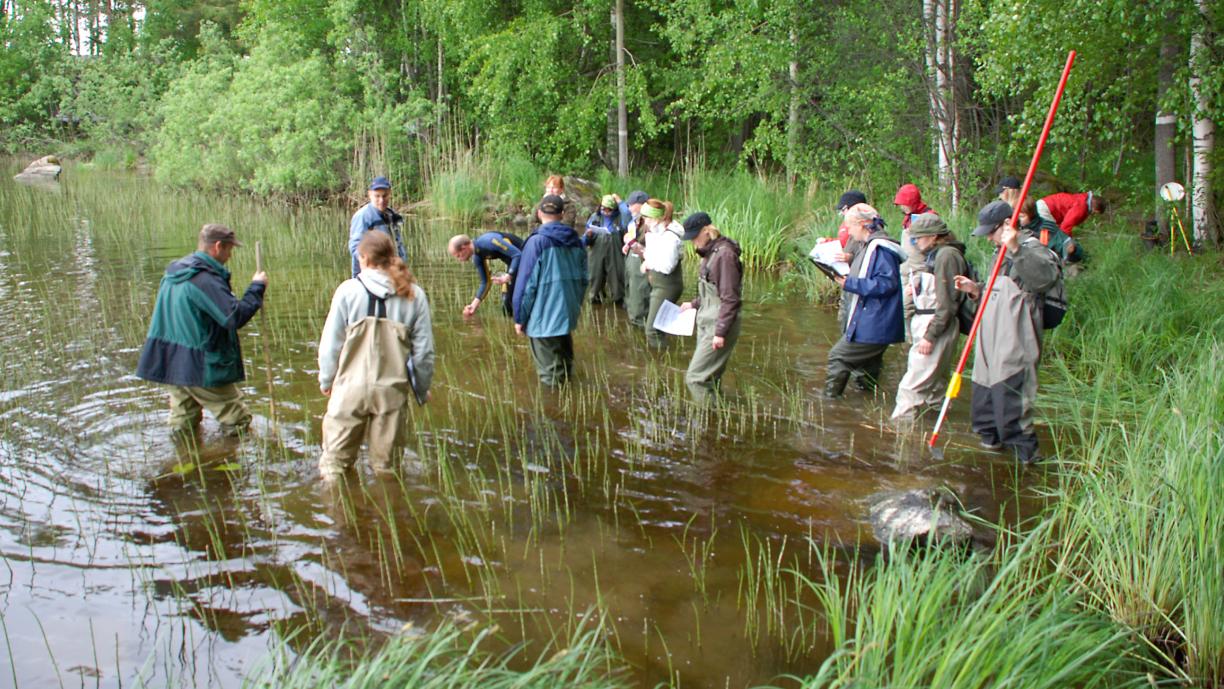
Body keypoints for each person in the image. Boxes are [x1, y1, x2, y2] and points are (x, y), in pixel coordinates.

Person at [317, 231, 435, 477]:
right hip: (391, 393)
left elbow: (330, 344)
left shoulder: (348, 291)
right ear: (391, 256)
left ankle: (337, 513)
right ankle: (387, 512)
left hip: (349, 389)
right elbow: (423, 354)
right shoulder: (414, 295)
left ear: (363, 258)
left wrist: (327, 380)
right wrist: (421, 390)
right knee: (387, 470)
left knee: (334, 466)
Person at [136, 224, 268, 437]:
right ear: (218, 246)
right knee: (237, 420)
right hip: (199, 365)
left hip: (172, 362)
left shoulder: (176, 271)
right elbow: (233, 317)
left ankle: (184, 463)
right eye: (229, 249)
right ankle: (231, 463)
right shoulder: (203, 280)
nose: (230, 255)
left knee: (183, 421)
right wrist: (256, 288)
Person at [954, 200, 1060, 464]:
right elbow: (996, 291)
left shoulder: (1030, 248)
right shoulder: (997, 254)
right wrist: (975, 289)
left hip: (1016, 335)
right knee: (984, 401)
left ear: (1006, 226)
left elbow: (1044, 279)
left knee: (1011, 399)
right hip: (990, 334)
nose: (989, 238)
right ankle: (990, 451)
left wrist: (1014, 248)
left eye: (992, 232)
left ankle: (1028, 463)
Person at [890, 214, 969, 421]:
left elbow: (948, 302)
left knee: (911, 386)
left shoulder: (946, 256)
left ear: (934, 236)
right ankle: (938, 421)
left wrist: (930, 336)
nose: (915, 243)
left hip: (935, 325)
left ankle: (898, 431)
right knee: (936, 385)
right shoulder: (937, 254)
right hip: (932, 321)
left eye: (918, 238)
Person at [823, 204, 905, 399]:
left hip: (875, 321)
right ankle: (867, 406)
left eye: (850, 227)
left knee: (838, 357)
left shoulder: (881, 249)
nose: (849, 233)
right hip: (877, 320)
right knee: (867, 368)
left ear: (862, 224)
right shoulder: (871, 246)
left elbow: (886, 284)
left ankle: (830, 404)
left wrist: (850, 283)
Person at [513, 194, 589, 386]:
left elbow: (526, 286)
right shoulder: (577, 241)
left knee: (550, 377)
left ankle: (554, 412)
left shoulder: (536, 242)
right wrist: (574, 306)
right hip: (567, 314)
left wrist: (519, 318)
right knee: (565, 365)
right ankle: (572, 406)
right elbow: (584, 280)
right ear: (562, 214)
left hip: (543, 318)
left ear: (539, 214)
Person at [678, 212, 743, 404]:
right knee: (709, 378)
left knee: (695, 379)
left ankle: (709, 420)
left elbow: (730, 298)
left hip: (718, 325)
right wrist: (693, 304)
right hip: (708, 320)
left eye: (694, 237)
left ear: (706, 231)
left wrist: (720, 333)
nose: (692, 242)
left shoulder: (724, 256)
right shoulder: (710, 253)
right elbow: (712, 293)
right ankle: (718, 418)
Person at [893, 183, 938, 340]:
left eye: (904, 204)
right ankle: (908, 342)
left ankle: (915, 341)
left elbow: (932, 248)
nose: (902, 208)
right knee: (903, 309)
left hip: (919, 272)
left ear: (912, 201)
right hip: (906, 271)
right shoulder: (908, 219)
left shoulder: (929, 218)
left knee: (908, 307)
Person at [639, 199, 686, 349]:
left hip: (667, 286)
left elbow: (667, 267)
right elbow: (655, 253)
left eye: (646, 218)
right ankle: (663, 356)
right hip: (659, 284)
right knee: (658, 326)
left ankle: (663, 363)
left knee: (652, 330)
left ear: (657, 218)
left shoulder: (670, 237)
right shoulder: (655, 231)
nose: (644, 221)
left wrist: (648, 263)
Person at [448, 231, 525, 316]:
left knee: (518, 301)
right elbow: (486, 282)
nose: (459, 260)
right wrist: (473, 305)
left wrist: (509, 275)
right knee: (506, 306)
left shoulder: (489, 241)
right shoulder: (477, 257)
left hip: (527, 259)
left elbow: (517, 255)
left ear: (464, 248)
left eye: (458, 256)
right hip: (514, 265)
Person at [349, 176, 406, 278]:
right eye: (377, 196)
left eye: (385, 196)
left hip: (392, 274)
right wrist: (372, 267)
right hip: (369, 277)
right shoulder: (363, 216)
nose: (381, 200)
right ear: (369, 195)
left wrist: (402, 268)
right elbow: (355, 248)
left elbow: (399, 246)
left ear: (390, 194)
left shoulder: (391, 215)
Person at [583, 194, 631, 305]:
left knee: (617, 277)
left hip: (615, 253)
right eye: (603, 208)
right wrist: (588, 235)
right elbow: (585, 242)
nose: (606, 212)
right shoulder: (595, 217)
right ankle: (595, 299)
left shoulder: (621, 218)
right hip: (596, 253)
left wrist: (620, 201)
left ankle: (619, 300)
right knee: (595, 277)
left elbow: (628, 217)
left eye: (609, 210)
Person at [1017, 197, 1083, 264]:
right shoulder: (1020, 228)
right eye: (1017, 216)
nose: (1018, 219)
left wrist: (1073, 252)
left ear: (1031, 215)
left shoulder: (1045, 228)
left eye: (1021, 216)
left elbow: (1065, 243)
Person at [621, 190, 652, 326]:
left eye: (631, 204)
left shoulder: (650, 222)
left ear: (641, 205)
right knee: (630, 289)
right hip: (630, 258)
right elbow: (630, 235)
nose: (629, 208)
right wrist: (627, 243)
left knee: (640, 293)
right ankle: (633, 318)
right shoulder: (634, 221)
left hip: (642, 261)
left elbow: (649, 247)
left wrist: (634, 244)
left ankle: (640, 324)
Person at [1036, 191, 1105, 236]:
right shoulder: (1081, 207)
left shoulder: (1082, 199)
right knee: (1048, 239)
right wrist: (1069, 242)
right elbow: (1065, 227)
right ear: (1095, 208)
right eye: (1095, 213)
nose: (1093, 215)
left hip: (1043, 205)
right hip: (1047, 210)